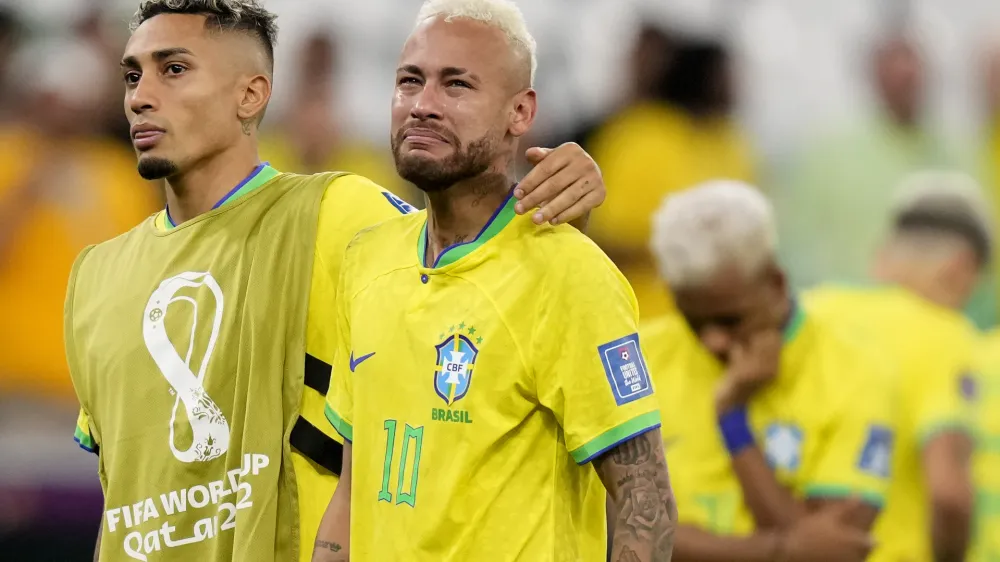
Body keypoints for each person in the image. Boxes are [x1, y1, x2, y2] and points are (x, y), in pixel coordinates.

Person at [64, 1, 608, 561]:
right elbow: (126, 493)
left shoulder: (336, 212)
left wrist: (570, 206)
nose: (140, 96)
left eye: (173, 69)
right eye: (132, 75)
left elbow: (489, 269)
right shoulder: (94, 276)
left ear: (250, 94)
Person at [313, 1, 676, 561]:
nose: (423, 106)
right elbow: (352, 488)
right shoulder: (367, 259)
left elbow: (643, 499)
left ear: (520, 112)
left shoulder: (569, 273)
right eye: (410, 81)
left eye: (456, 85)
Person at [642, 180, 894, 562]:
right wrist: (779, 549)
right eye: (692, 320)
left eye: (729, 320)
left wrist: (733, 420)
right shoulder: (640, 358)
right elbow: (621, 530)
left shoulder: (852, 371)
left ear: (776, 283)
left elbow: (832, 549)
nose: (713, 342)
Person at [806, 172, 987, 562]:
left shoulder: (811, 312)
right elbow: (950, 494)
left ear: (882, 255)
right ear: (960, 268)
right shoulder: (944, 334)